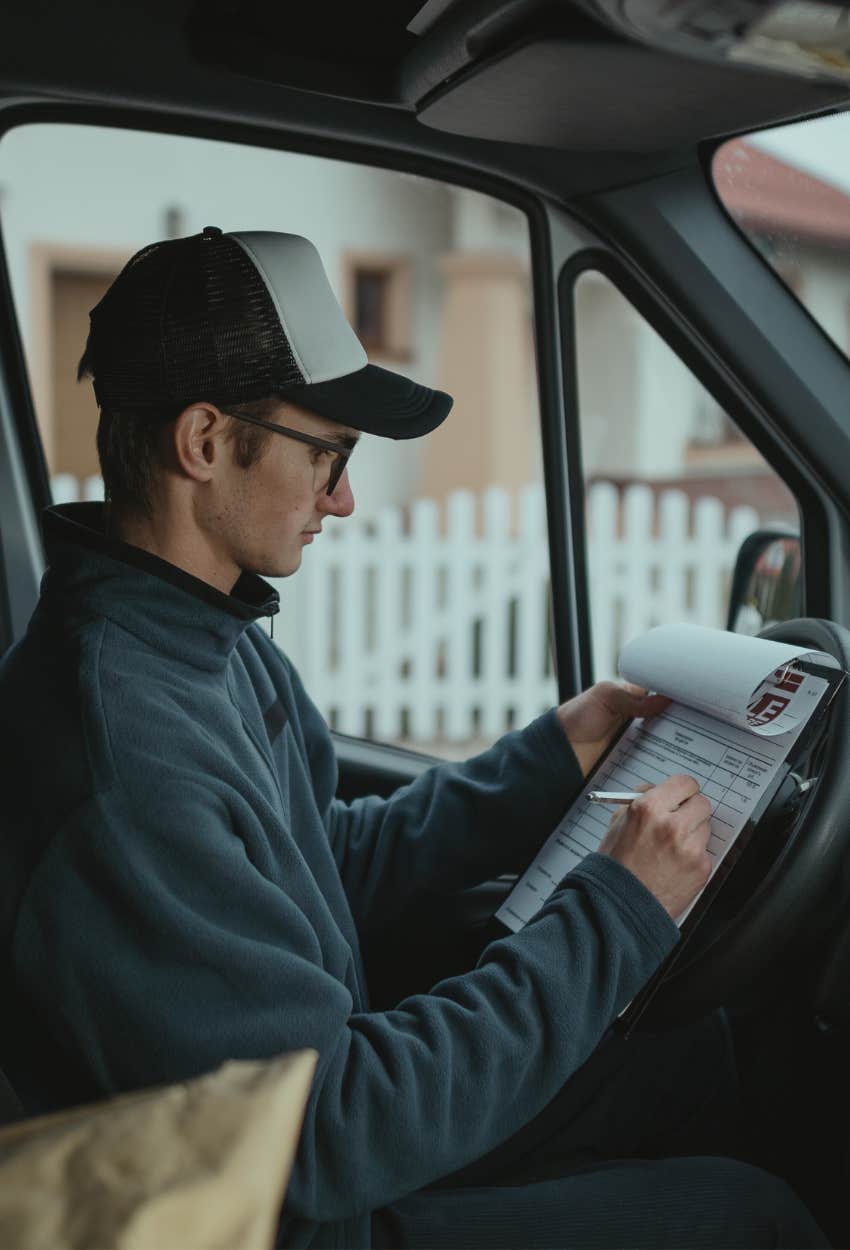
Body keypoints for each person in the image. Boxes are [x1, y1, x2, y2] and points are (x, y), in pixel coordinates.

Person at [0, 227, 827, 1249]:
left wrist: (550, 758)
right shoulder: (119, 755)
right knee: (753, 1218)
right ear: (205, 442)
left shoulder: (204, 636)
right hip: (269, 1214)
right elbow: (324, 1129)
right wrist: (616, 908)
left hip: (311, 1150)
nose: (342, 497)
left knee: (698, 1058)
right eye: (328, 454)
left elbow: (322, 869)